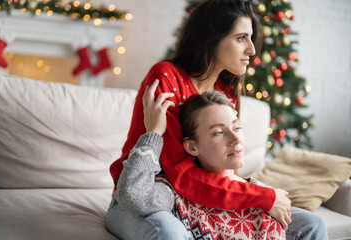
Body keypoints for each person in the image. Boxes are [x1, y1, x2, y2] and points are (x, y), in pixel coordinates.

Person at [105, 0, 328, 239]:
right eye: (241, 38)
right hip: (150, 198)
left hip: (201, 201)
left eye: (251, 37)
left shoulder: (225, 87)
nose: (252, 49)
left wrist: (260, 194)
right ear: (211, 38)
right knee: (170, 233)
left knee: (311, 225)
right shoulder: (166, 77)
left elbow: (222, 165)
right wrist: (259, 196)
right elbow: (181, 175)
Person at [115, 90, 287, 239]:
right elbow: (133, 194)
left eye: (237, 128)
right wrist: (153, 133)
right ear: (192, 146)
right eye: (219, 132)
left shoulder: (267, 202)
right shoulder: (176, 195)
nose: (236, 140)